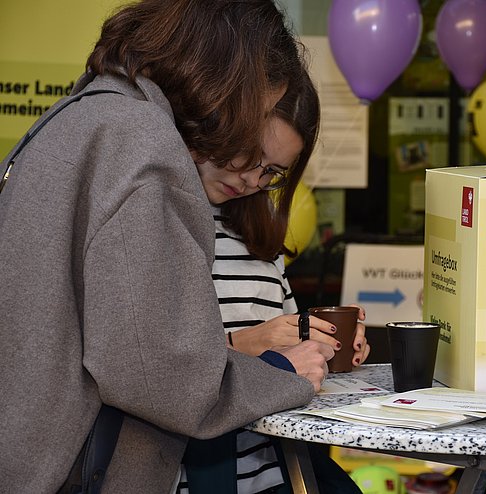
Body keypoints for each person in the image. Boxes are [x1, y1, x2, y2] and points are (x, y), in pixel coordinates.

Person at [0, 1, 335, 492]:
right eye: (261, 103)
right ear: (225, 76)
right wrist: (281, 372)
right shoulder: (144, 147)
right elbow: (160, 376)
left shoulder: (76, 117)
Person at [181, 70, 367, 493]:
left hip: (277, 472)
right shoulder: (168, 224)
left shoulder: (259, 240)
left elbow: (287, 359)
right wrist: (245, 345)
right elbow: (150, 367)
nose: (251, 180)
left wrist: (323, 345)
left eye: (272, 172)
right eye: (248, 155)